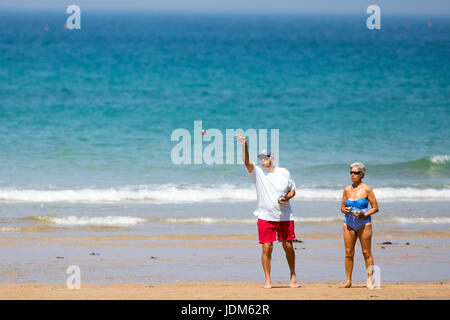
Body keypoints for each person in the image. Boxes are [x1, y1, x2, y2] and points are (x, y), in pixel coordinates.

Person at [236, 134, 299, 289]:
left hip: (284, 216)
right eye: (261, 158)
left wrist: (286, 197)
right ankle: (268, 281)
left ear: (272, 158)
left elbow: (293, 191)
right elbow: (246, 162)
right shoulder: (257, 172)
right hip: (265, 216)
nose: (263, 160)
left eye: (266, 157)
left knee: (288, 246)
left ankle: (292, 276)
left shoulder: (284, 172)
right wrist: (245, 145)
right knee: (267, 247)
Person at [340, 162, 379, 289]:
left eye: (355, 173)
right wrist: (344, 210)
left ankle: (370, 279)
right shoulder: (347, 189)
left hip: (364, 223)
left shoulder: (367, 189)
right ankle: (348, 281)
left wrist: (365, 214)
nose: (352, 175)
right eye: (351, 172)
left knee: (366, 252)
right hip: (348, 222)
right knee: (348, 252)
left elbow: (375, 208)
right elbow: (342, 207)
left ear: (362, 175)